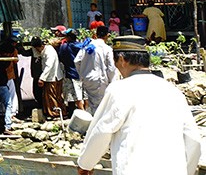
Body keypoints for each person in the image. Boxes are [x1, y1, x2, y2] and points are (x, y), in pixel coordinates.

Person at [76, 36, 201, 174]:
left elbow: (102, 130)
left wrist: (85, 164)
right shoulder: (173, 92)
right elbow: (193, 139)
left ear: (122, 60)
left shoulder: (119, 90)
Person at [75, 26, 117, 114]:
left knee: (92, 103)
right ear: (107, 35)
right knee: (101, 106)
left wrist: (82, 74)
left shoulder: (86, 46)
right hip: (99, 80)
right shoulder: (106, 48)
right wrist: (112, 81)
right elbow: (111, 68)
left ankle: (93, 119)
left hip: (87, 79)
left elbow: (77, 61)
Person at [32, 37, 65, 119]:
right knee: (54, 96)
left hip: (52, 77)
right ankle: (59, 112)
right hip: (52, 77)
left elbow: (48, 66)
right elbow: (36, 55)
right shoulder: (45, 50)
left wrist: (42, 78)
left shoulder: (49, 52)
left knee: (51, 97)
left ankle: (55, 113)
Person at [57, 30, 85, 111]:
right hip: (83, 74)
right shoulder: (83, 46)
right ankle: (86, 111)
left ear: (68, 37)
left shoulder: (64, 47)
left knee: (71, 96)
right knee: (84, 95)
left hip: (70, 73)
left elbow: (61, 58)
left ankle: (73, 112)